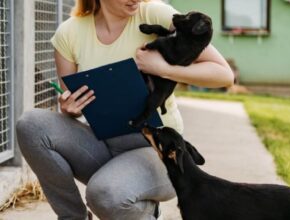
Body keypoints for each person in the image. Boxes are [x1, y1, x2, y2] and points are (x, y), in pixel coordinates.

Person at [15, 0, 234, 219]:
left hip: (157, 151)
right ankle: (73, 217)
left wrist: (164, 69)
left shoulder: (154, 14)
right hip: (103, 142)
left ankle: (144, 211)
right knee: (31, 124)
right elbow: (73, 103)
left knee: (104, 195)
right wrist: (70, 108)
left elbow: (223, 74)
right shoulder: (69, 32)